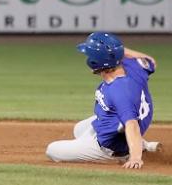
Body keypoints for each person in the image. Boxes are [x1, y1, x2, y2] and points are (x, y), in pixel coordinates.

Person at [46, 32, 159, 168]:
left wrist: (135, 158)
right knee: (78, 129)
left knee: (52, 150)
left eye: (90, 55)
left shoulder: (119, 90)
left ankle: (128, 152)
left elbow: (131, 124)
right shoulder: (133, 65)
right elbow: (150, 61)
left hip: (109, 146)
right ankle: (142, 144)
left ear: (97, 61)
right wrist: (116, 51)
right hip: (116, 123)